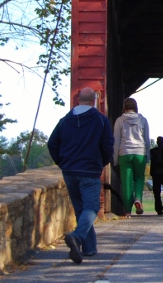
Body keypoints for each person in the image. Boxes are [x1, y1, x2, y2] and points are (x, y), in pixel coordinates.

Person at [47, 87, 114, 264]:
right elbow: (108, 146)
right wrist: (102, 162)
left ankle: (89, 249)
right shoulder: (100, 120)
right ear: (94, 101)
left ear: (78, 99)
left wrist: (62, 162)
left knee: (80, 210)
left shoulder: (65, 120)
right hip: (90, 170)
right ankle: (77, 237)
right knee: (91, 208)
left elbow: (52, 143)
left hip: (69, 171)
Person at [113, 97, 150, 216]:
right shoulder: (143, 120)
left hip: (125, 152)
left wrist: (115, 158)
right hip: (140, 152)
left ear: (125, 107)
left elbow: (116, 141)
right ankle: (138, 198)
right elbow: (147, 139)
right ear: (135, 107)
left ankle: (127, 210)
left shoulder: (120, 120)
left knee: (126, 182)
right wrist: (147, 156)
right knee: (139, 178)